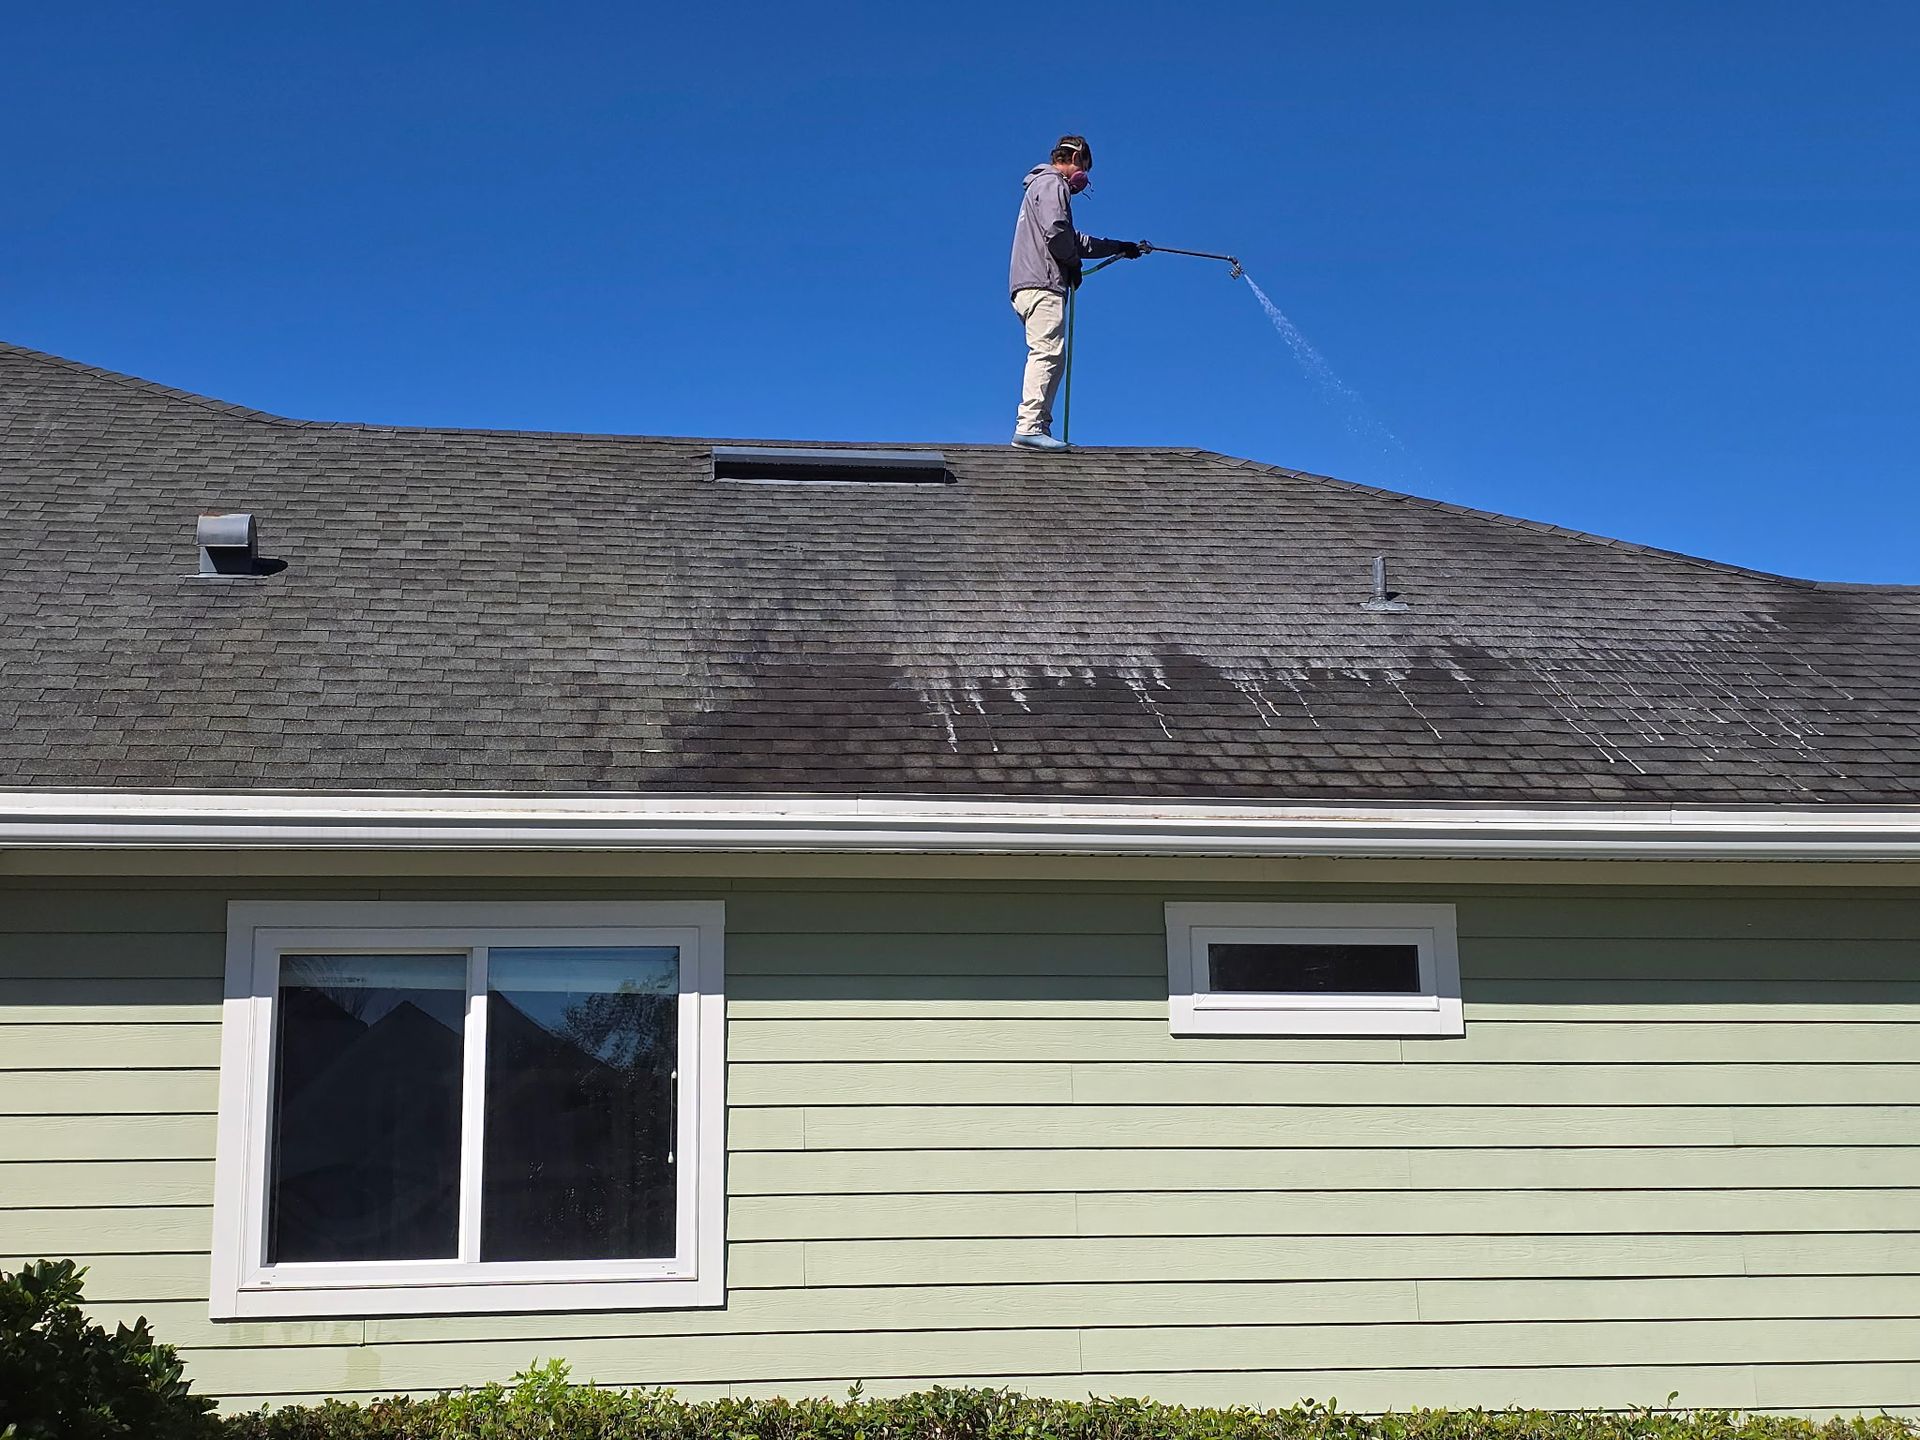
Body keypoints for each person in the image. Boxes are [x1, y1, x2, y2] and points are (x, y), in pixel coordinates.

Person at [1008, 136, 1150, 450]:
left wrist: (1119, 248)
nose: (1083, 179)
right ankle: (1030, 427)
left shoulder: (1041, 188)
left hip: (1031, 283)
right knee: (1047, 353)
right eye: (1084, 168)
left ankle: (1038, 426)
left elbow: (1075, 239)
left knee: (1053, 356)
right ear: (1076, 159)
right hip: (1043, 283)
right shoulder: (1052, 184)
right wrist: (1071, 263)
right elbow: (1058, 233)